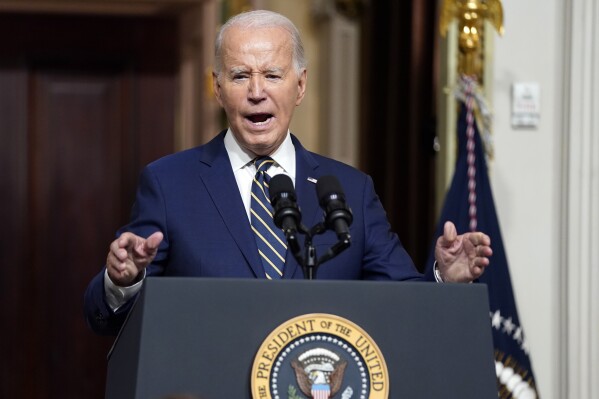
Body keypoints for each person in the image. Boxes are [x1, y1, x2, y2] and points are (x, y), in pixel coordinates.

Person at [84, 10, 492, 336]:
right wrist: (123, 281)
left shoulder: (350, 190)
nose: (256, 91)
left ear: (299, 87)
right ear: (218, 87)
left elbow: (404, 307)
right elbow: (107, 320)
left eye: (273, 75)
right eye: (240, 75)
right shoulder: (169, 184)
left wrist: (445, 280)